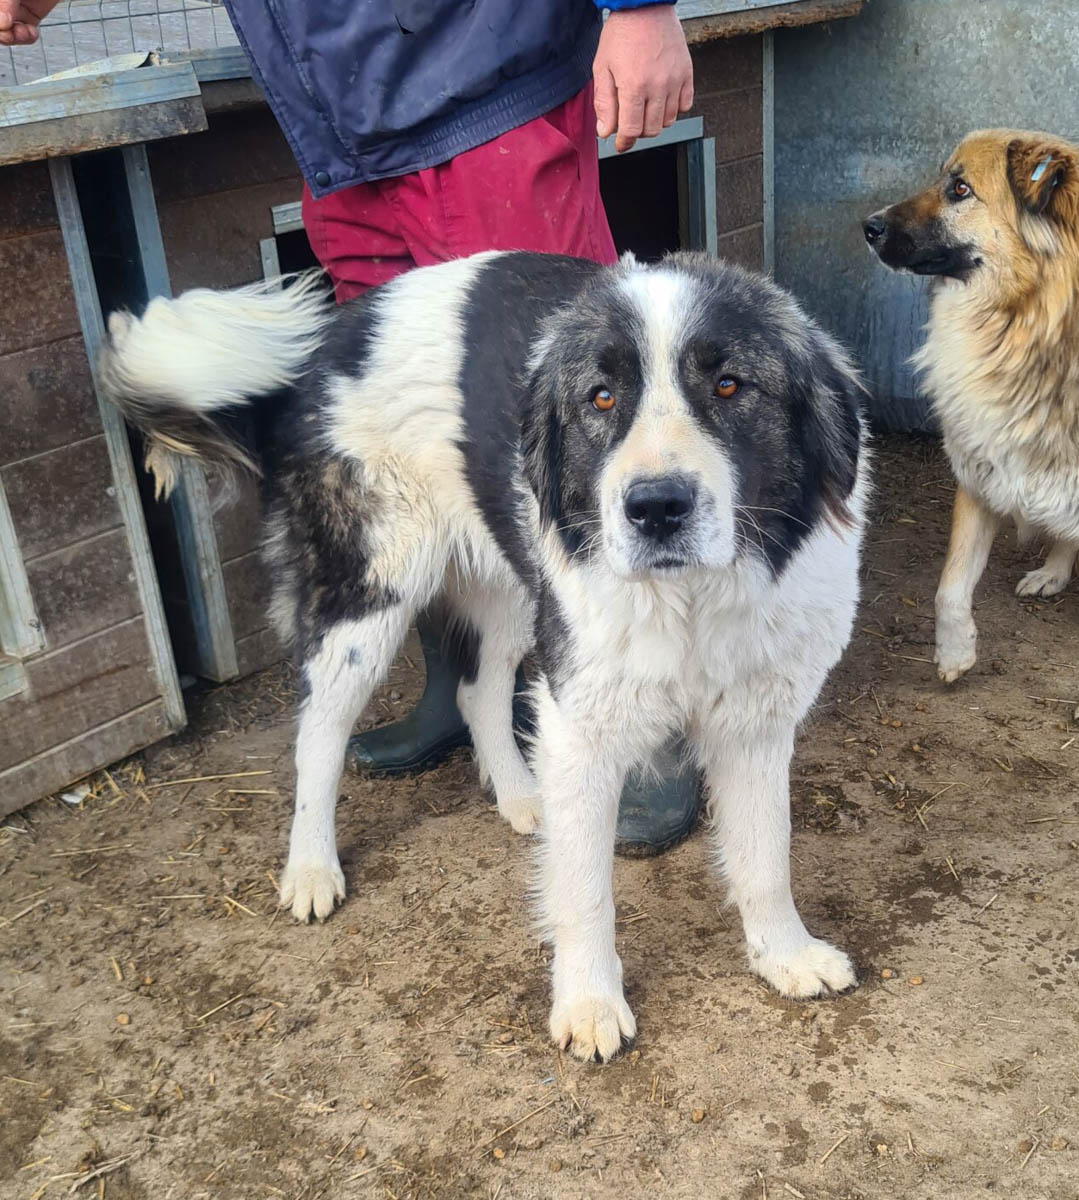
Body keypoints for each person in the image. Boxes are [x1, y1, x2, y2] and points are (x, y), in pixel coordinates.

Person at [1, 0, 701, 853]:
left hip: (480, 78)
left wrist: (636, 6)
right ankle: (468, 684)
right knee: (413, 466)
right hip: (346, 121)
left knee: (573, 442)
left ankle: (646, 737)